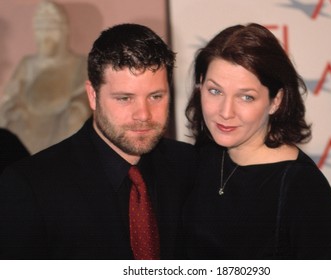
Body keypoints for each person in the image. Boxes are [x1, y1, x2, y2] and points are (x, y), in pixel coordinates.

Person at [0, 23, 197, 260]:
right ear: (92, 96)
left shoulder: (192, 166)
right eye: (125, 98)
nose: (143, 114)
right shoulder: (31, 186)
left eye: (156, 96)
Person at [184, 23, 331, 259]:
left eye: (246, 97)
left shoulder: (303, 188)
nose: (225, 112)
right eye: (215, 91)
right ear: (200, 85)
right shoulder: (201, 157)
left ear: (276, 101)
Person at [0, 1, 90, 154]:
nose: (46, 35)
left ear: (64, 31)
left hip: (62, 120)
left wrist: (78, 108)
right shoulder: (27, 63)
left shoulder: (79, 63)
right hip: (28, 122)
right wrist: (11, 105)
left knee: (76, 119)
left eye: (51, 29)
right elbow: (11, 95)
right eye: (41, 29)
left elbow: (86, 94)